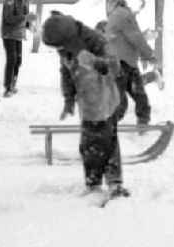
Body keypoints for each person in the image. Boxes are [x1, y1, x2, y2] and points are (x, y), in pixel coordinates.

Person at [41, 11, 129, 200]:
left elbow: (114, 67)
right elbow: (66, 72)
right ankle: (93, 183)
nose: (60, 50)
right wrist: (69, 99)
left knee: (108, 142)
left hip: (106, 100)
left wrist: (92, 61)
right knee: (88, 145)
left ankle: (115, 183)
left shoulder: (96, 40)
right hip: (88, 103)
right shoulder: (66, 46)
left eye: (60, 46)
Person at [105, 0, 160, 128]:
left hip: (121, 63)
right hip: (124, 63)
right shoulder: (123, 15)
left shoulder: (119, 15)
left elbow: (135, 38)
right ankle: (141, 122)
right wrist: (148, 55)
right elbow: (136, 38)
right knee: (137, 95)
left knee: (127, 97)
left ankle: (107, 125)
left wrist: (146, 55)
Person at [0, 0, 30, 97]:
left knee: (18, 60)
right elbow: (8, 18)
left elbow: (25, 18)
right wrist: (24, 17)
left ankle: (13, 84)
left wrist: (30, 25)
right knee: (11, 59)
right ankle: (7, 87)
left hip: (18, 34)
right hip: (9, 33)